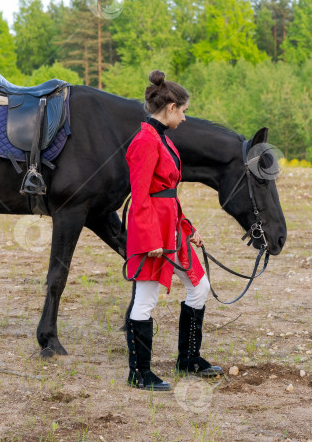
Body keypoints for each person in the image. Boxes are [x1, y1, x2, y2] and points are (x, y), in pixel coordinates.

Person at [123, 69, 222, 391]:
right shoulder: (145, 141)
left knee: (200, 286)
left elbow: (167, 194)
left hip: (173, 232)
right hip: (152, 235)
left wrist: (186, 228)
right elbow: (140, 195)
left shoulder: (162, 139)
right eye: (184, 110)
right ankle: (139, 372)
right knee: (146, 300)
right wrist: (150, 238)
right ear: (170, 108)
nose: (185, 117)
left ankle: (188, 358)